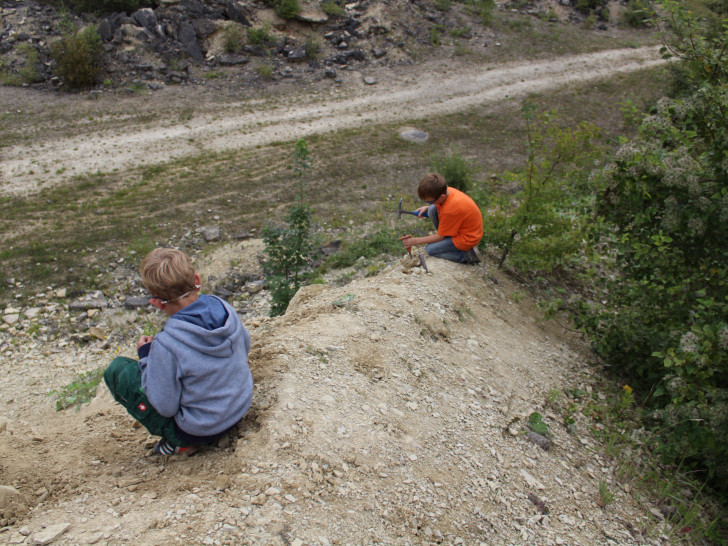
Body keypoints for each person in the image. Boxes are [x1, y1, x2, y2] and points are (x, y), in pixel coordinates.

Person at [104, 248, 253, 456]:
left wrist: (147, 357)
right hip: (238, 408)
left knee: (118, 370)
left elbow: (165, 406)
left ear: (156, 303)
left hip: (200, 429)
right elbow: (245, 346)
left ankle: (179, 442)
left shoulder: (167, 344)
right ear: (197, 280)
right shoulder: (224, 308)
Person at [400, 173, 483, 264]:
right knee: (432, 209)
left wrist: (414, 241)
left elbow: (440, 236)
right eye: (425, 201)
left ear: (442, 196)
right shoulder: (447, 191)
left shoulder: (451, 210)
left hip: (467, 239)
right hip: (462, 228)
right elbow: (440, 208)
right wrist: (427, 208)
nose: (428, 203)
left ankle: (467, 257)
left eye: (430, 201)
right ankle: (448, 239)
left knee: (430, 250)